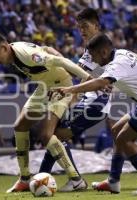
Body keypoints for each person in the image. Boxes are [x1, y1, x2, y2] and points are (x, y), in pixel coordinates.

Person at [52, 33, 137, 195]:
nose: (94, 60)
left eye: (95, 55)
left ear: (104, 52)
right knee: (116, 130)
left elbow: (101, 82)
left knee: (123, 139)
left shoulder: (118, 63)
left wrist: (69, 90)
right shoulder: (123, 53)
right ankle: (113, 181)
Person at [0, 33, 91, 193]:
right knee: (20, 126)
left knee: (45, 135)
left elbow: (60, 61)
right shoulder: (14, 52)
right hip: (43, 87)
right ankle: (25, 178)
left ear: (5, 47)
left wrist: (88, 78)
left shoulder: (26, 55)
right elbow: (45, 50)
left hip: (60, 87)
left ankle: (77, 180)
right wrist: (49, 50)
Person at [38, 8, 113, 186]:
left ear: (96, 25)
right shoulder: (98, 47)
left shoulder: (96, 49)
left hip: (95, 102)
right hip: (94, 102)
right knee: (55, 137)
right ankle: (41, 177)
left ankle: (73, 180)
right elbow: (76, 72)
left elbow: (76, 75)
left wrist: (55, 54)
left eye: (85, 26)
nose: (82, 31)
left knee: (54, 136)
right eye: (79, 28)